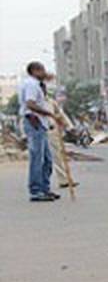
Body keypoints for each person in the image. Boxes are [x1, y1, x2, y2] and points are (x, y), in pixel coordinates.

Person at [19, 61, 57, 201]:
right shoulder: (31, 84)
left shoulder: (38, 84)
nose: (44, 73)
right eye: (42, 70)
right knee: (37, 159)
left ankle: (44, 188)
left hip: (41, 124)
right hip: (34, 122)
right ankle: (35, 191)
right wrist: (48, 113)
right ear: (34, 71)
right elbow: (30, 104)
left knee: (47, 160)